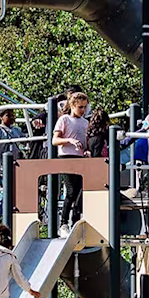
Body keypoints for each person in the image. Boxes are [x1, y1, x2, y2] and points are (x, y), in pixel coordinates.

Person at [52, 92, 90, 224]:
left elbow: (86, 142)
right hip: (66, 157)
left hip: (80, 158)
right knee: (71, 191)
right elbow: (55, 140)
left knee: (81, 190)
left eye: (84, 107)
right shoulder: (64, 120)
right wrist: (69, 140)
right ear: (72, 106)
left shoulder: (85, 123)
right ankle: (64, 221)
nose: (83, 110)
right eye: (80, 107)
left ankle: (76, 219)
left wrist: (87, 150)